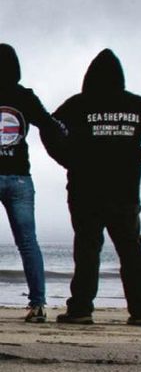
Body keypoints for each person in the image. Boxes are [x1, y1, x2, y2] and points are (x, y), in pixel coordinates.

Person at [51, 49, 141, 326]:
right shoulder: (137, 105)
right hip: (125, 190)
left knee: (87, 250)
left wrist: (69, 159)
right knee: (131, 250)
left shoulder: (77, 105)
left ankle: (81, 309)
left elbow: (50, 129)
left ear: (89, 77)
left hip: (85, 190)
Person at [0, 43, 65, 322]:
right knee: (28, 243)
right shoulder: (25, 96)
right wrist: (67, 132)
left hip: (16, 178)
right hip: (19, 178)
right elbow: (50, 125)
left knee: (27, 243)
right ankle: (38, 306)